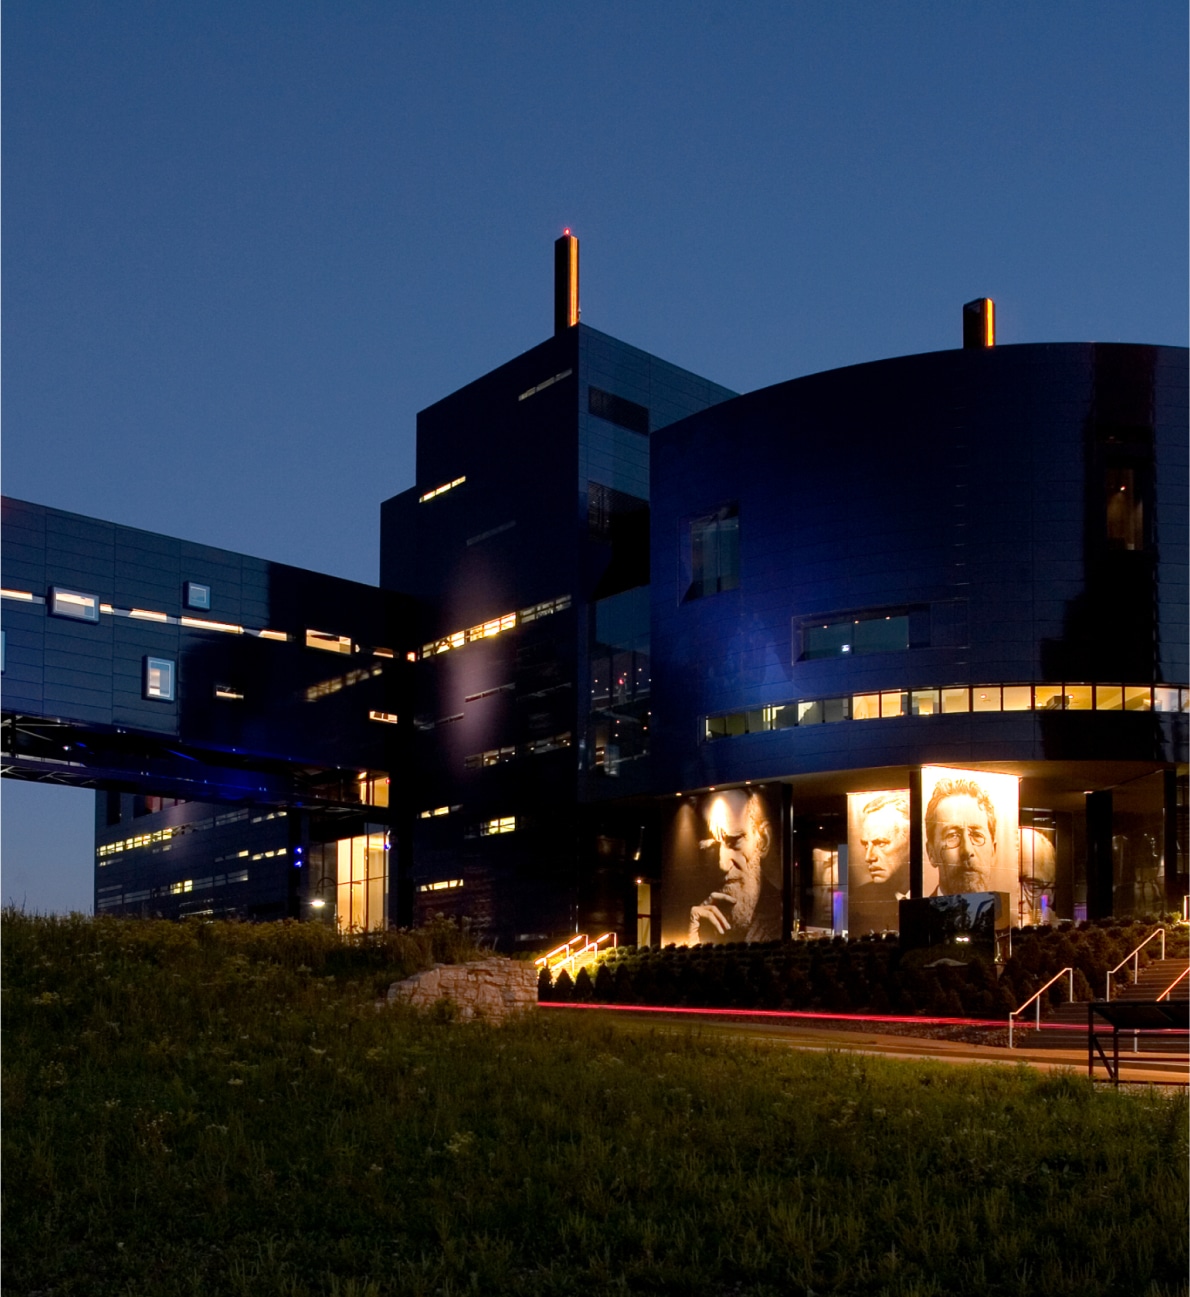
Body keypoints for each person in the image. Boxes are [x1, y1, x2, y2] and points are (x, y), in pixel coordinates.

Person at [687, 789, 781, 943]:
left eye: (735, 841)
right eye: (709, 848)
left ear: (763, 840)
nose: (722, 865)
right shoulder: (699, 920)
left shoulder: (779, 918)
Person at [925, 777, 997, 894]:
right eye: (953, 835)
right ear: (931, 853)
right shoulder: (916, 913)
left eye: (976, 835)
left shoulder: (1008, 912)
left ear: (993, 851)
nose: (967, 850)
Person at [851, 792, 911, 931]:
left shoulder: (939, 895)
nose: (869, 857)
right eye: (866, 845)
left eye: (881, 843)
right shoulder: (858, 901)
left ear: (910, 843)